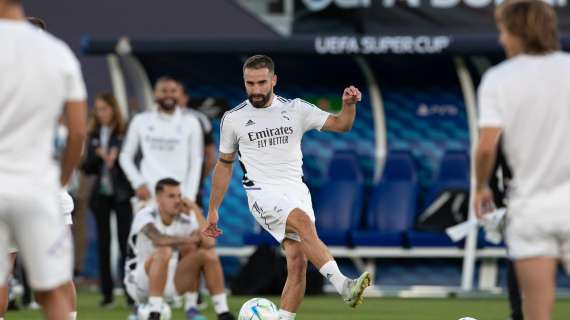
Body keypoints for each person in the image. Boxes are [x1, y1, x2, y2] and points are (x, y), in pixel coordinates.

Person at [204, 55, 371, 320]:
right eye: (250, 83)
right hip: (261, 192)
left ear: (274, 80)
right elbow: (224, 165)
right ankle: (344, 285)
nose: (256, 90)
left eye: (261, 82)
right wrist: (213, 209)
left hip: (296, 190)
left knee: (297, 262)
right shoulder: (233, 119)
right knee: (303, 223)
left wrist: (348, 105)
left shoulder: (296, 109)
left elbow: (342, 124)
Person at [474, 1, 570, 320]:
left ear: (517, 32)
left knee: (535, 315)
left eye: (503, 30)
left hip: (529, 209)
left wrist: (481, 187)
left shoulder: (498, 79)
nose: (502, 39)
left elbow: (486, 147)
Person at [0, 1, 87, 319]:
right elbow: (78, 134)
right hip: (42, 189)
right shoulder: (57, 55)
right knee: (56, 282)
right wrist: (61, 181)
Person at [124, 178, 235, 320]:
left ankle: (223, 312)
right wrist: (190, 239)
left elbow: (210, 243)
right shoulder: (145, 215)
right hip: (139, 283)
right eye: (171, 196)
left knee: (208, 255)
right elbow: (160, 239)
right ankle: (154, 313)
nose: (177, 200)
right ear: (158, 199)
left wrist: (194, 209)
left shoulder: (183, 220)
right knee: (164, 251)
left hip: (169, 281)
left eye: (179, 196)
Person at [119, 76, 204, 210]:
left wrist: (189, 197)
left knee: (181, 232)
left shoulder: (191, 122)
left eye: (173, 90)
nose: (168, 94)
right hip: (148, 197)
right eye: (164, 90)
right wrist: (138, 183)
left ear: (180, 94)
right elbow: (125, 156)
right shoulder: (140, 121)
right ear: (155, 94)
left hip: (180, 197)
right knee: (149, 232)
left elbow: (196, 161)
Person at [82, 93, 134, 307]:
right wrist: (98, 155)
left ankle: (131, 294)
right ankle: (107, 295)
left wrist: (117, 157)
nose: (100, 113)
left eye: (104, 108)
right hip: (101, 196)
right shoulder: (93, 133)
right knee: (104, 244)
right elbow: (86, 167)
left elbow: (133, 160)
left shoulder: (125, 132)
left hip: (121, 194)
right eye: (98, 109)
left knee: (125, 243)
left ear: (113, 109)